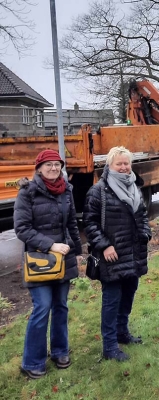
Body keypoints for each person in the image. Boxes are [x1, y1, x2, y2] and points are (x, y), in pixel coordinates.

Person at [14, 149, 83, 379]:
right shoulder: (28, 192)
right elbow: (22, 229)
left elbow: (72, 223)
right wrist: (50, 245)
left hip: (64, 258)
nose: (54, 169)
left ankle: (60, 351)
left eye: (57, 165)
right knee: (42, 307)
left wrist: (78, 252)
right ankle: (32, 361)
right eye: (49, 165)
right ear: (39, 168)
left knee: (61, 306)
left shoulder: (67, 190)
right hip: (40, 260)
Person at [84, 146, 151, 362]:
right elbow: (90, 223)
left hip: (133, 252)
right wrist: (104, 246)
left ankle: (122, 333)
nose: (123, 168)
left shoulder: (134, 186)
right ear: (109, 166)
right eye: (119, 164)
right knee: (111, 300)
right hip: (111, 256)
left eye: (126, 163)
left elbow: (142, 215)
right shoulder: (98, 191)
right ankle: (109, 346)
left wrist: (146, 233)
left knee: (129, 294)